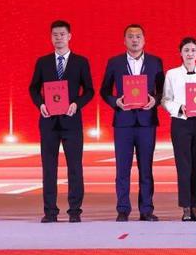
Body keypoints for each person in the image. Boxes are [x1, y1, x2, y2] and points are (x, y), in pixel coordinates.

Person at [28, 20, 94, 223]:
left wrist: (77, 104)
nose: (58, 38)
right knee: (49, 168)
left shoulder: (80, 62)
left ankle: (75, 211)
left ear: (69, 36)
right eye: (55, 35)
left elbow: (89, 90)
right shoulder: (43, 62)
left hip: (71, 122)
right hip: (48, 122)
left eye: (62, 34)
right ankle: (50, 211)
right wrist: (40, 104)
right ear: (51, 37)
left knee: (75, 168)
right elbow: (33, 88)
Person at [100, 24, 164, 222]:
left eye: (138, 36)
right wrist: (116, 102)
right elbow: (104, 91)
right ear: (124, 40)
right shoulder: (115, 62)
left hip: (146, 122)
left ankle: (146, 209)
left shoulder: (155, 62)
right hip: (123, 122)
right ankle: (123, 209)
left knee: (146, 169)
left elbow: (162, 91)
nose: (134, 40)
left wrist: (155, 100)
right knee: (122, 168)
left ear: (144, 40)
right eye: (130, 36)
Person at [161, 37, 196, 222]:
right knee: (183, 165)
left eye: (193, 50)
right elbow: (165, 100)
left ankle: (195, 207)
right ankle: (185, 207)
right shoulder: (172, 74)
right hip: (181, 122)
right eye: (186, 50)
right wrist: (179, 107)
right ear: (180, 53)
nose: (190, 54)